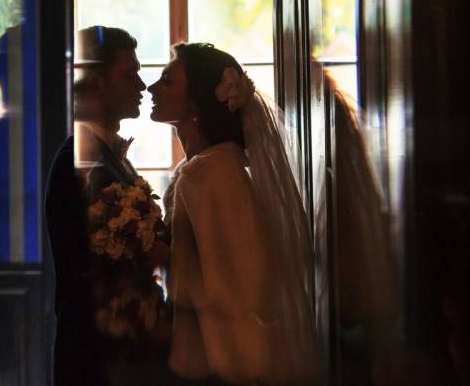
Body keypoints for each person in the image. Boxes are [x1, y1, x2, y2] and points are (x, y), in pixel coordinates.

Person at [149, 42, 318, 385]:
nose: (152, 88)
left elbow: (246, 282)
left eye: (167, 81)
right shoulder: (201, 169)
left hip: (221, 362)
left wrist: (167, 261)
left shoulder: (217, 174)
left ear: (197, 101)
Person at [45, 25, 153, 385]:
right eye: (129, 75)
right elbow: (86, 274)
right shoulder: (77, 163)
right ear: (97, 84)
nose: (142, 86)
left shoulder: (108, 157)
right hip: (94, 360)